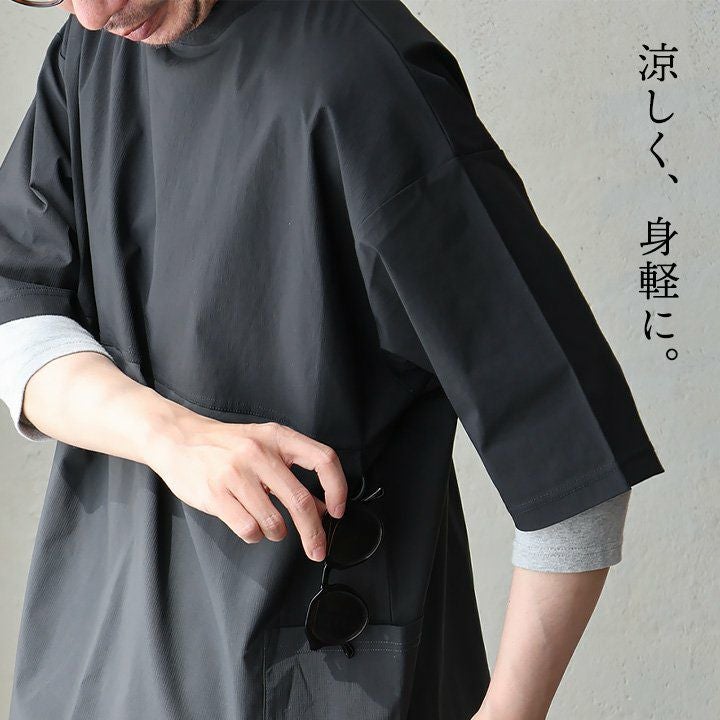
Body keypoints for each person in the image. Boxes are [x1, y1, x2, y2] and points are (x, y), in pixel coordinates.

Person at [0, 1, 664, 718]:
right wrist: (168, 436)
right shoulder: (91, 57)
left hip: (312, 680)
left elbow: (572, 464)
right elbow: (18, 313)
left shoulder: (362, 82)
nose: (91, 14)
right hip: (94, 671)